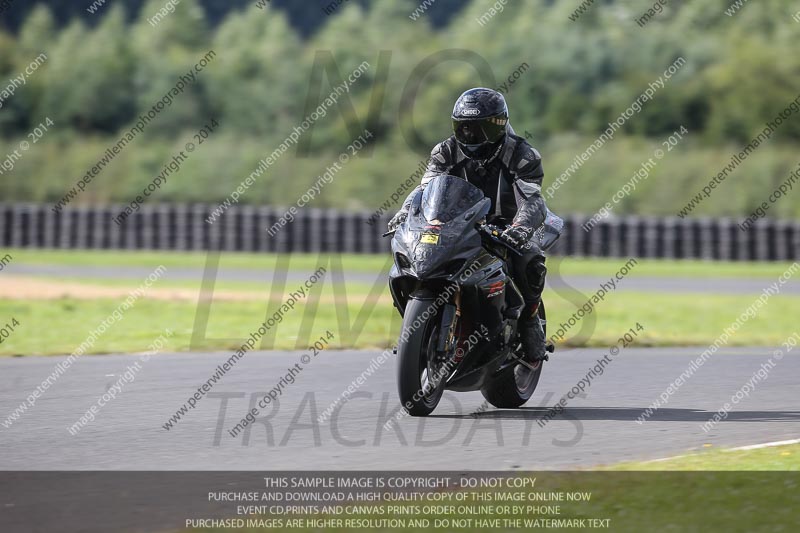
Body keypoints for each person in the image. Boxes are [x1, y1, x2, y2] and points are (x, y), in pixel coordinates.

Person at [388, 87, 549, 361]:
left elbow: (532, 199)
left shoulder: (523, 154)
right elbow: (425, 188)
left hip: (506, 226)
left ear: (498, 125)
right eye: (463, 128)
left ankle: (531, 319)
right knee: (414, 256)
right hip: (458, 221)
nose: (470, 136)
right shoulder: (445, 150)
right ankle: (418, 334)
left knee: (529, 262)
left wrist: (519, 229)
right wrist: (405, 212)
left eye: (479, 129)